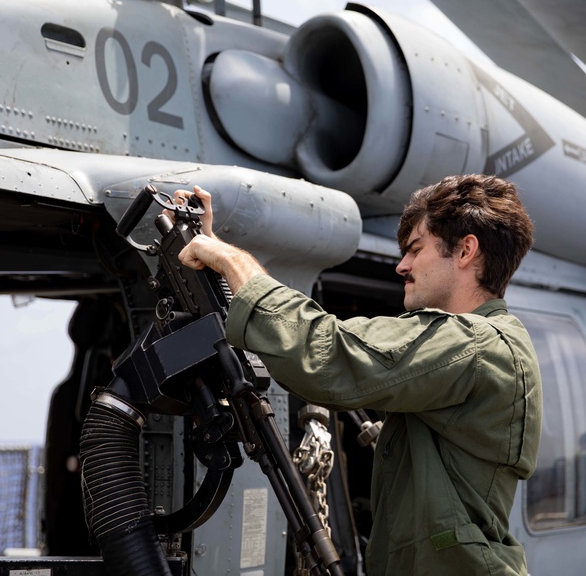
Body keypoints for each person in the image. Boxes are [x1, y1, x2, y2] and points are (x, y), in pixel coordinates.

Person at [176, 174, 542, 575]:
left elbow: (326, 354)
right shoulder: (489, 343)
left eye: (416, 249)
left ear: (465, 250)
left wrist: (232, 260)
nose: (402, 265)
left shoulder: (475, 344)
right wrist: (210, 253)